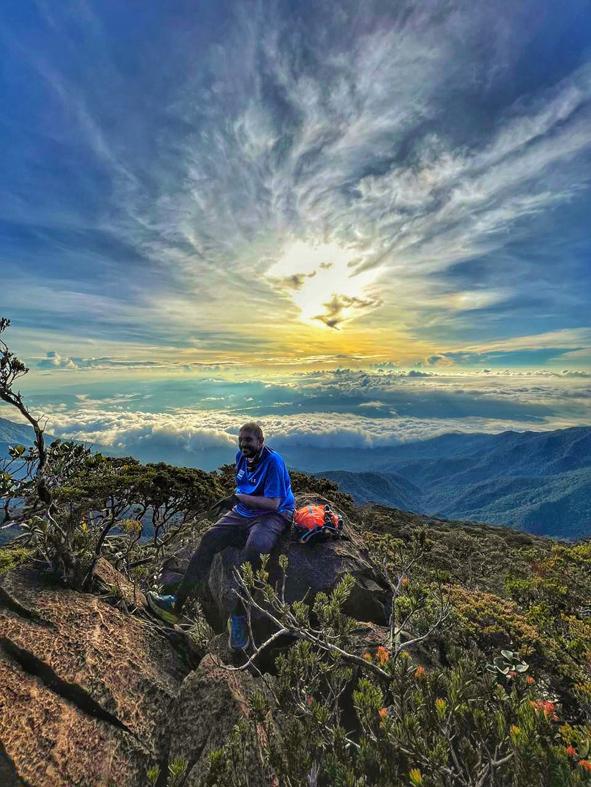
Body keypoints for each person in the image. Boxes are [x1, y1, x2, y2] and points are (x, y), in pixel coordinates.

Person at [147, 421, 295, 651]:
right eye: (241, 439)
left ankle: (238, 617)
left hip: (273, 515)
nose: (244, 444)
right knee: (209, 540)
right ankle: (177, 603)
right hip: (244, 513)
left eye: (249, 440)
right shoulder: (241, 457)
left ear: (261, 442)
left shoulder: (273, 462)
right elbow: (244, 490)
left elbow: (273, 503)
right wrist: (237, 501)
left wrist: (238, 498)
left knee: (255, 549)